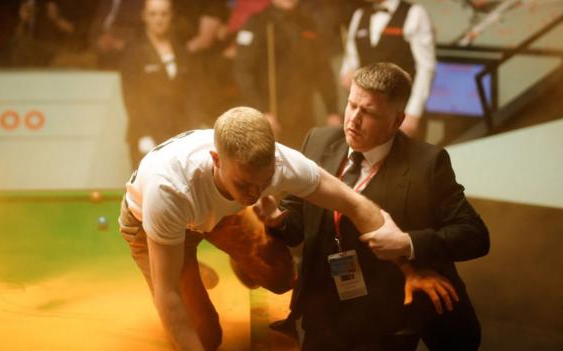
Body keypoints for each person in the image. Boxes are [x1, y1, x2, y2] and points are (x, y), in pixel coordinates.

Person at [118, 105, 458, 350]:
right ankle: (186, 262)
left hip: (218, 212)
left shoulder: (282, 163)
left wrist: (408, 267)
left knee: (279, 276)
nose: (254, 194)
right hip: (149, 223)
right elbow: (168, 293)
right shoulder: (169, 189)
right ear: (217, 160)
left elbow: (356, 204)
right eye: (245, 184)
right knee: (206, 339)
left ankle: (222, 259)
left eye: (263, 182)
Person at [258, 63, 490, 350]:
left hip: (387, 321)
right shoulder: (318, 141)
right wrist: (278, 219)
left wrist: (407, 243)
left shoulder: (426, 164)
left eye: (367, 112)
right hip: (323, 310)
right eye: (352, 105)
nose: (353, 119)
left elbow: (474, 235)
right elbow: (297, 220)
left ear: (397, 120)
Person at [234, 0, 341, 148]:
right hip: (272, 113)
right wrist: (261, 112)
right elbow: (243, 72)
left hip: (304, 114)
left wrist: (332, 110)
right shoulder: (258, 22)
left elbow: (322, 70)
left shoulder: (307, 22)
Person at [340, 0, 436, 139]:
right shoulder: (359, 15)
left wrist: (413, 112)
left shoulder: (415, 14)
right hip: (367, 114)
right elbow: (351, 61)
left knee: (405, 159)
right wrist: (347, 74)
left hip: (402, 111)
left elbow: (426, 68)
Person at [117, 0, 196, 168]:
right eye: (153, 14)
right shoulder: (133, 50)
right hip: (146, 137)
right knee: (146, 193)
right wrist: (143, 134)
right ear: (144, 16)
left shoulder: (181, 49)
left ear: (171, 16)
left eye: (163, 14)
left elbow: (190, 94)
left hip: (177, 136)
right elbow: (131, 97)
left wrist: (191, 132)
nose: (158, 19)